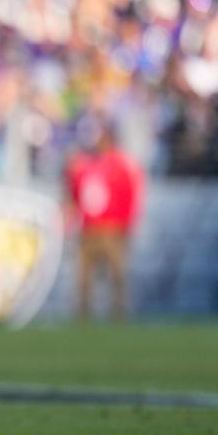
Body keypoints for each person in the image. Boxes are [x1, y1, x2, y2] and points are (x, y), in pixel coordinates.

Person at [64, 122, 144, 321]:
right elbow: (75, 194)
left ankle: (119, 313)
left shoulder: (121, 166)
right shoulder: (85, 166)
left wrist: (127, 225)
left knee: (117, 275)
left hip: (112, 229)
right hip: (89, 229)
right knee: (84, 276)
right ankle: (83, 314)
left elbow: (130, 197)